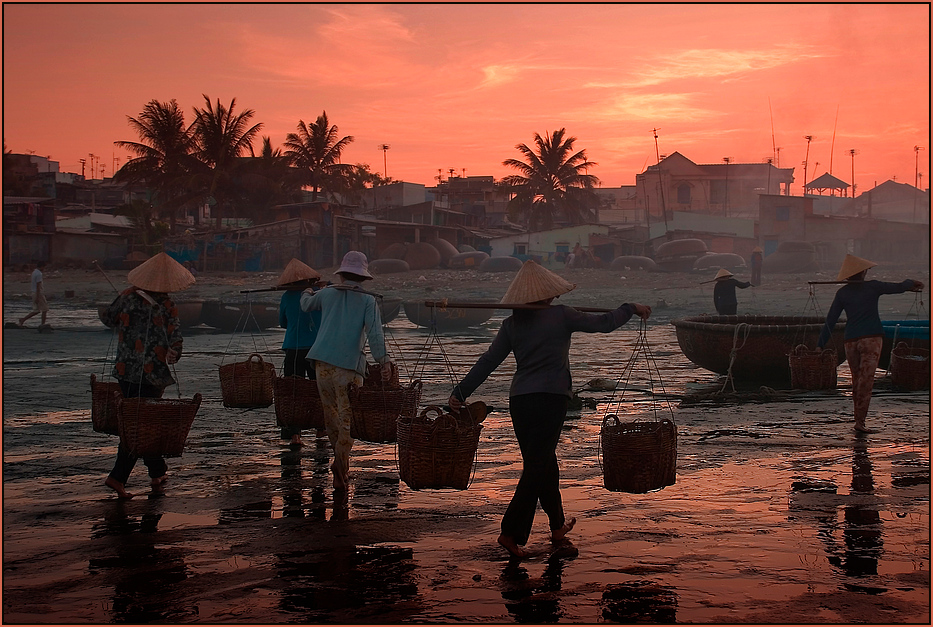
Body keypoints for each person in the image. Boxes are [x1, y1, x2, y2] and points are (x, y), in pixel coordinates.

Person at [447, 260, 652, 560]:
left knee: (543, 463)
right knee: (536, 466)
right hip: (551, 399)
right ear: (548, 294)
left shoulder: (512, 324)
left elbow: (488, 361)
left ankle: (557, 526)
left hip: (521, 402)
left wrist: (460, 391)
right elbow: (604, 324)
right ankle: (511, 533)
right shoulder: (562, 316)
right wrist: (630, 307)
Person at [101, 252, 195, 498]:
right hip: (152, 373)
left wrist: (119, 301)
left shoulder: (127, 297)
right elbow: (176, 338)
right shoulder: (166, 305)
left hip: (125, 370)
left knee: (139, 421)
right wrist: (175, 353)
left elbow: (108, 319)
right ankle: (117, 477)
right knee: (141, 424)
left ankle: (157, 471)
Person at [300, 251, 394, 495]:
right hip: (348, 368)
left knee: (331, 417)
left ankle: (342, 467)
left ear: (342, 274)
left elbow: (306, 304)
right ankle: (340, 466)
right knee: (346, 420)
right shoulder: (367, 301)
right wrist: (384, 361)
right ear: (362, 277)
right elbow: (375, 336)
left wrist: (309, 290)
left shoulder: (328, 293)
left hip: (322, 364)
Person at [817, 254, 923, 434]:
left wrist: (821, 343)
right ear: (862, 272)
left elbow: (831, 319)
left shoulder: (842, 293)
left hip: (850, 341)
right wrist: (912, 282)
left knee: (857, 380)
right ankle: (860, 422)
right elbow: (897, 287)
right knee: (866, 381)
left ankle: (858, 419)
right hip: (871, 340)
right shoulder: (873, 287)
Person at [277, 258, 323, 447]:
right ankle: (321, 429)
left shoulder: (287, 296)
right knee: (318, 390)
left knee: (292, 393)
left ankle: (295, 435)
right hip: (317, 350)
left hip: (293, 349)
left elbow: (283, 322)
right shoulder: (320, 294)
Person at [19, 260, 49, 327]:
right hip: (38, 293)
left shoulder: (34, 272)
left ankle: (23, 320)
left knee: (36, 310)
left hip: (34, 292)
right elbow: (38, 286)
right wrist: (38, 297)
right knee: (45, 309)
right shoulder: (39, 274)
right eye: (44, 267)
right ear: (42, 266)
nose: (44, 269)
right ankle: (43, 324)